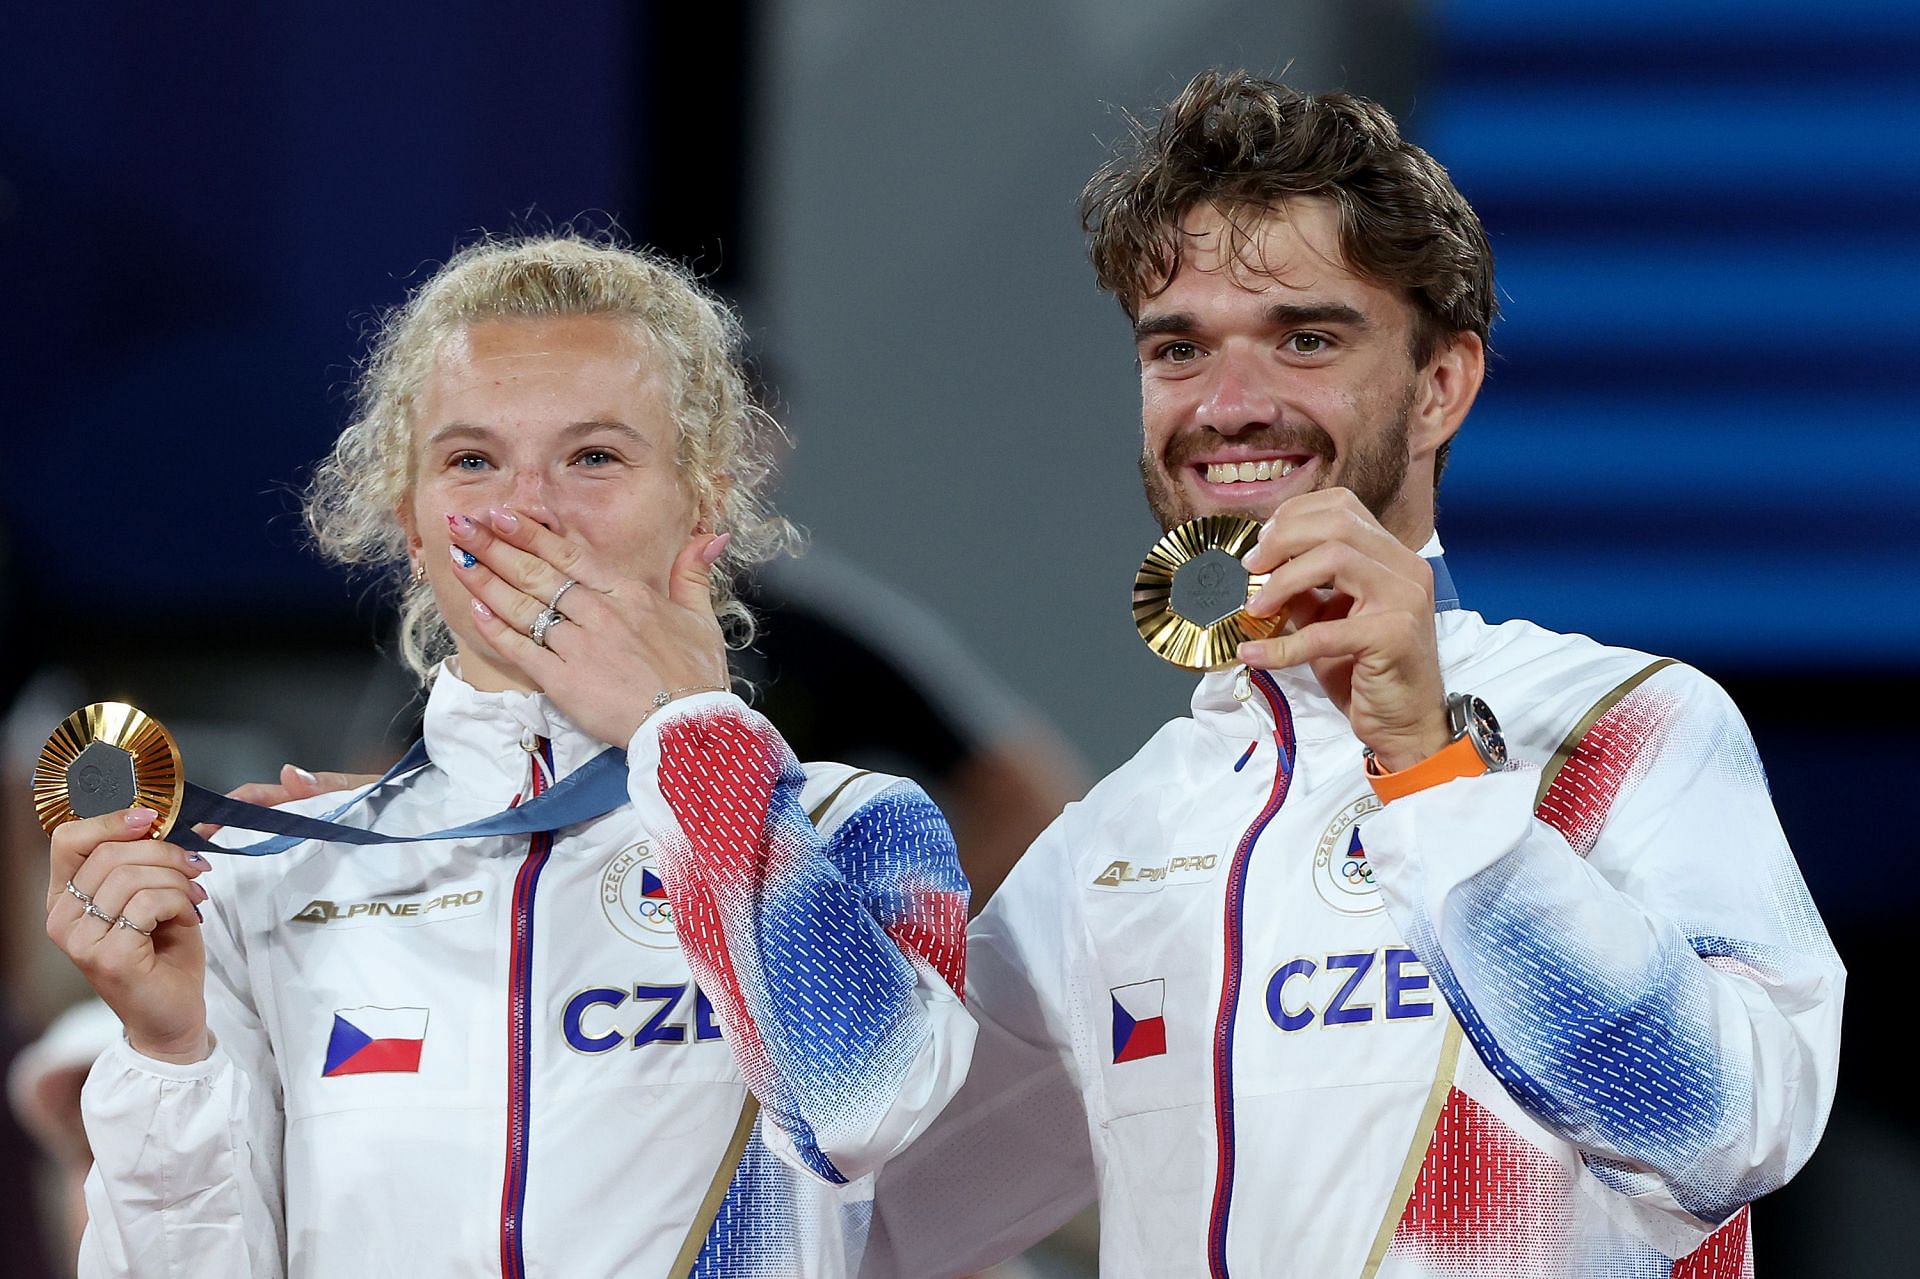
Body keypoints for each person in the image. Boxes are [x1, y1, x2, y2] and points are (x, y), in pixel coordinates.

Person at [860, 71, 1844, 1278]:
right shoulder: (1118, 840)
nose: (1228, 404)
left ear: (1442, 386)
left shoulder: (1619, 728)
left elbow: (1735, 1133)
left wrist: (1431, 769)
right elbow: (882, 1219)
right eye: (1180, 350)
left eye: (1306, 338)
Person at [44, 234, 973, 1277]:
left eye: (594, 457)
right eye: (472, 460)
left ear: (704, 508)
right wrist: (170, 1055)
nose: (524, 510)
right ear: (411, 522)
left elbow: (867, 1106)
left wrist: (689, 735)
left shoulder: (853, 830)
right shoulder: (281, 882)